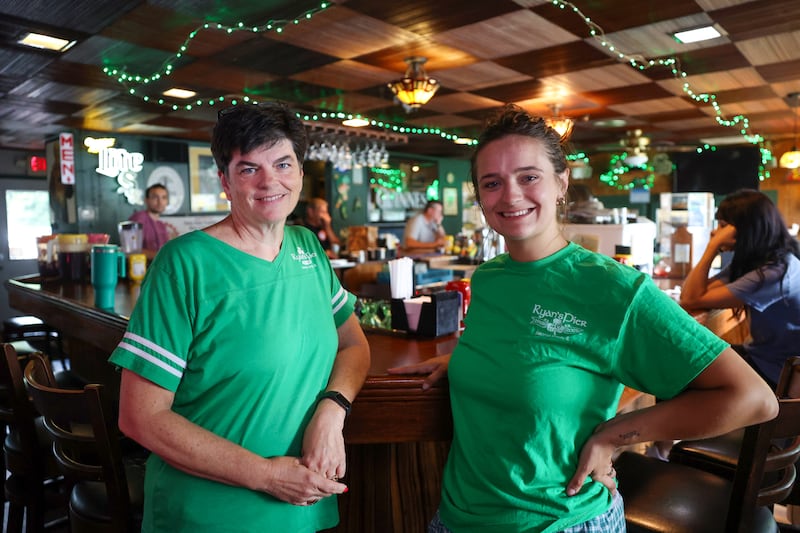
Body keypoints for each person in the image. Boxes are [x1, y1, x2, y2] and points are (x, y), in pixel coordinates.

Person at [389, 104, 777, 533]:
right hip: (455, 519)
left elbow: (752, 397)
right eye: (492, 183)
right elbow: (526, 352)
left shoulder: (614, 288)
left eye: (528, 177)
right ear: (480, 197)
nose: (510, 195)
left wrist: (615, 434)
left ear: (561, 182)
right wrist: (465, 359)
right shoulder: (488, 278)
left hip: (562, 521)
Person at [110, 101, 371, 532]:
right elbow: (141, 417)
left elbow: (354, 344)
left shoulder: (307, 246)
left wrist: (333, 409)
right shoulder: (184, 264)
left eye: (283, 164)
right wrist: (266, 475)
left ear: (300, 172)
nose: (270, 181)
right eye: (249, 169)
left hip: (302, 507)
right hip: (209, 516)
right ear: (225, 182)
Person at [680, 188, 800, 388]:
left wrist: (712, 246)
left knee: (681, 373)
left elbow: (691, 299)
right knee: (688, 361)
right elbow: (691, 294)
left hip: (778, 374)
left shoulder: (774, 274)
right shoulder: (763, 262)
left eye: (723, 226)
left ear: (745, 229)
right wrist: (715, 244)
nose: (715, 232)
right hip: (764, 359)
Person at [129, 183, 176, 260]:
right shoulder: (139, 218)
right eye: (155, 197)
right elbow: (131, 249)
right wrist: (164, 256)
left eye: (164, 197)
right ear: (146, 200)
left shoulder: (161, 225)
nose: (160, 202)